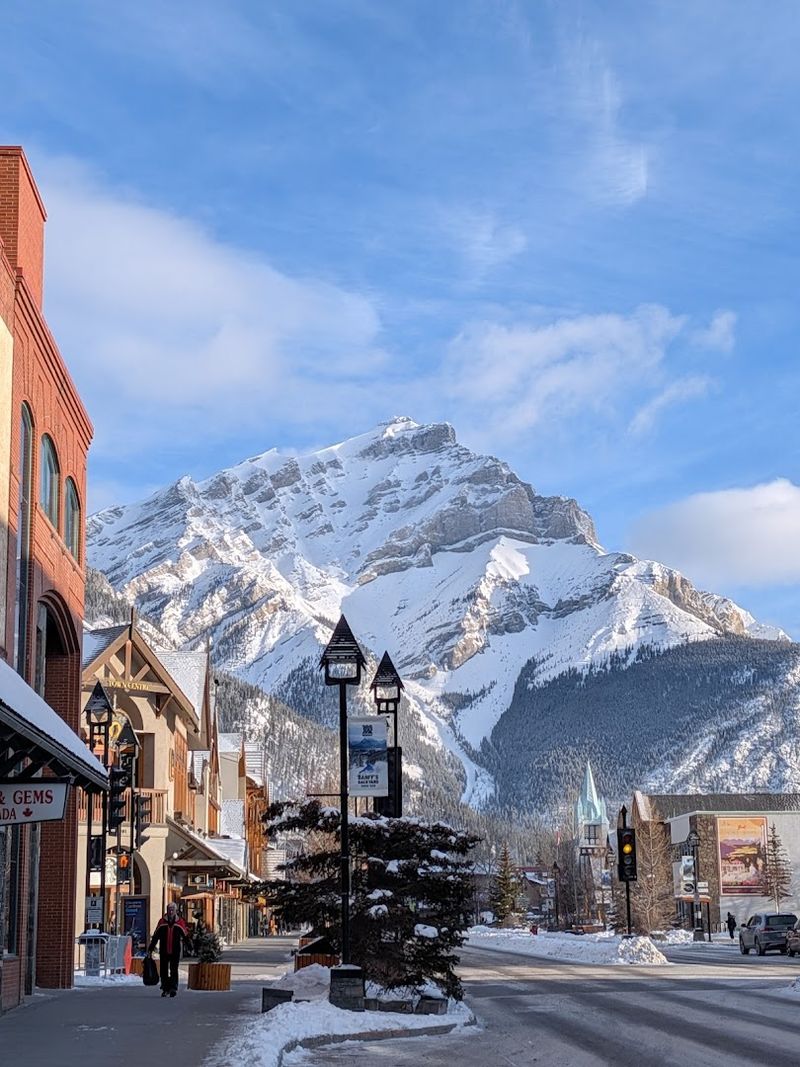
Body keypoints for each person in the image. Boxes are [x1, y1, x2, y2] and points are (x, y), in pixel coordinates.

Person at [148, 902, 192, 997]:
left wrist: (190, 947)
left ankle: (173, 988)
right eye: (169, 909)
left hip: (175, 950)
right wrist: (151, 948)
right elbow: (156, 936)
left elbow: (185, 936)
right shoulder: (162, 922)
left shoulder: (179, 922)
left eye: (172, 910)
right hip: (164, 950)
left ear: (175, 911)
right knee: (163, 970)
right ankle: (165, 988)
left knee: (173, 969)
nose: (171, 912)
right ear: (167, 910)